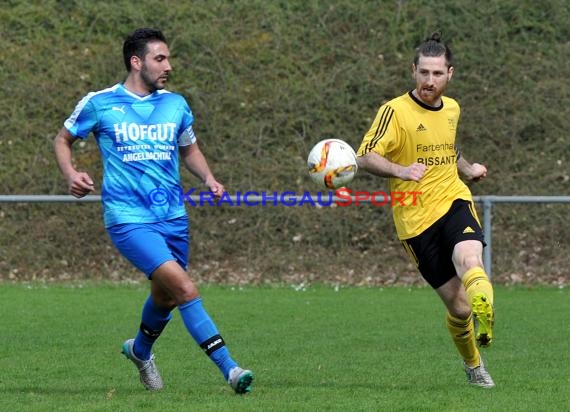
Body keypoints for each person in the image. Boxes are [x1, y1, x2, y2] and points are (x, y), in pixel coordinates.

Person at [53, 28, 253, 394]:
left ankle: (139, 350)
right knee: (185, 289)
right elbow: (63, 139)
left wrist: (208, 178)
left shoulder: (176, 104)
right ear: (136, 61)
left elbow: (188, 149)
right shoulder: (100, 103)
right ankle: (231, 369)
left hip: (173, 217)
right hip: (128, 219)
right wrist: (71, 173)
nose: (168, 66)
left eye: (168, 59)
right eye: (160, 59)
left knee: (164, 297)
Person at [356, 32, 495, 388]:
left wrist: (468, 170)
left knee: (470, 259)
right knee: (459, 308)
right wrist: (401, 170)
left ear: (450, 73)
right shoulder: (394, 111)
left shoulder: (452, 108)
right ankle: (473, 364)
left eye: (436, 74)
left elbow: (447, 149)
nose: (429, 81)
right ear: (413, 71)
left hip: (453, 199)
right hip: (415, 219)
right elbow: (365, 155)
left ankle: (488, 315)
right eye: (423, 73)